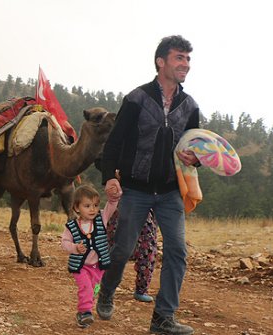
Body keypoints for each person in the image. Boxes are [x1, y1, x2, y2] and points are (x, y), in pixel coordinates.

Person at [96, 35, 200, 335]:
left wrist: (195, 159)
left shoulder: (190, 105)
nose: (186, 64)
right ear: (161, 62)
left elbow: (195, 149)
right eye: (179, 57)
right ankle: (106, 291)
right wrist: (110, 178)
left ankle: (163, 317)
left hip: (170, 192)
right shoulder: (137, 99)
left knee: (178, 251)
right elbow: (114, 144)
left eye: (188, 59)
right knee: (122, 249)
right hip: (136, 190)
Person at [61, 185, 119, 328]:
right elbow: (64, 243)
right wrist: (74, 248)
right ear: (76, 208)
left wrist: (114, 196)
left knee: (94, 290)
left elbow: (111, 205)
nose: (92, 209)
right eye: (87, 206)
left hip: (98, 267)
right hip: (81, 266)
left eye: (95, 205)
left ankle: (85, 314)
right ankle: (84, 312)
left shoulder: (101, 219)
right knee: (86, 287)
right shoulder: (72, 226)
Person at [107, 209, 158, 303]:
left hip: (147, 211)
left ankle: (141, 290)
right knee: (114, 251)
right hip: (124, 207)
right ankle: (105, 289)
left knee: (147, 251)